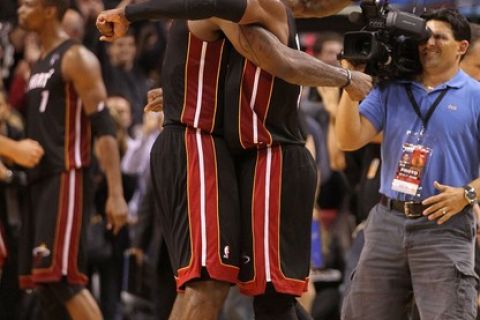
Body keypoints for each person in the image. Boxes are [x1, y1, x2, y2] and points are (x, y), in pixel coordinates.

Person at [96, 1, 372, 319]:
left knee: (239, 290)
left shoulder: (267, 11)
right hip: (197, 146)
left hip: (251, 153)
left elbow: (305, 15)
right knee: (214, 284)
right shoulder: (229, 11)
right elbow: (278, 58)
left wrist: (176, 89)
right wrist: (347, 78)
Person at [336, 8, 479, 320]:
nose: (428, 43)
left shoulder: (476, 96)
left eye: (439, 37)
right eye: (424, 36)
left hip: (444, 225)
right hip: (387, 221)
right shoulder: (392, 89)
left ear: (461, 47)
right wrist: (350, 84)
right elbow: (349, 140)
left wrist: (467, 194)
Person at [16, 0, 128, 319]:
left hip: (65, 177)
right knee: (46, 287)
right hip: (38, 180)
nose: (20, 10)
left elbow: (104, 127)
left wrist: (116, 194)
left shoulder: (76, 57)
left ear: (50, 10)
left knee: (64, 280)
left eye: (28, 4)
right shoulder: (38, 64)